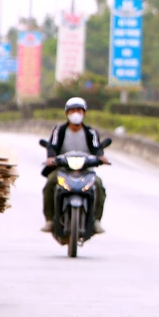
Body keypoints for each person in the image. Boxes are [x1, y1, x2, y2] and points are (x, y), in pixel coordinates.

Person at [41, 97, 108, 234]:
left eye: (79, 110)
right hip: (63, 169)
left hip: (85, 170)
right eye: (72, 110)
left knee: (99, 185)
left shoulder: (91, 132)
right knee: (50, 183)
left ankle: (96, 221)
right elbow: (52, 147)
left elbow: (97, 148)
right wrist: (51, 158)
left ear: (84, 113)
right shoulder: (59, 131)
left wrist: (101, 157)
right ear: (67, 113)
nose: (76, 113)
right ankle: (49, 220)